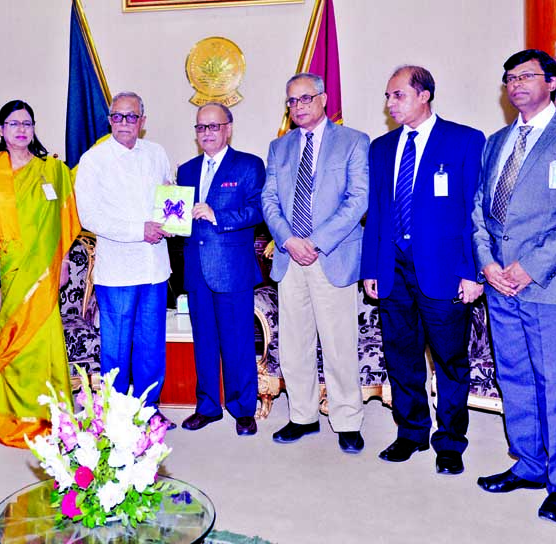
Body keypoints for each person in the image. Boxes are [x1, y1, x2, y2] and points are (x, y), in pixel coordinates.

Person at [471, 49, 556, 523]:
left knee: (554, 385)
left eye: (526, 76)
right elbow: (479, 213)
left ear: (552, 82)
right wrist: (488, 263)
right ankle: (528, 464)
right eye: (509, 77)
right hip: (499, 285)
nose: (515, 84)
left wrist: (528, 268)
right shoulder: (496, 141)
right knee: (514, 378)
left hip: (547, 284)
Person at [360, 66, 485, 474]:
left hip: (445, 270)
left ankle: (450, 441)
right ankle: (411, 431)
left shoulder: (465, 140)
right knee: (401, 354)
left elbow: (473, 213)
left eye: (398, 95)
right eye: (388, 96)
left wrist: (472, 272)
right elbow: (376, 213)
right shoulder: (381, 148)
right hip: (391, 267)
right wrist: (371, 268)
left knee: (450, 359)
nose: (390, 103)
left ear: (424, 95)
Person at [261, 73, 368, 452]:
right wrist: (289, 240)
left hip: (332, 255)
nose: (298, 106)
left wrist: (315, 242)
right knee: (294, 342)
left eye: (306, 98)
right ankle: (302, 416)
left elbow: (357, 199)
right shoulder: (279, 147)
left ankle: (347, 420)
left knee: (339, 344)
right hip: (290, 258)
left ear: (323, 99)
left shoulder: (353, 141)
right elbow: (269, 199)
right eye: (292, 101)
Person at [76, 92, 176, 428]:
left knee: (150, 344)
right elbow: (89, 217)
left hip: (155, 268)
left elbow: (169, 195)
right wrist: (139, 230)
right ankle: (115, 415)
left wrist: (172, 222)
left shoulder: (157, 153)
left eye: (131, 117)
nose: (123, 123)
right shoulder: (94, 160)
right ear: (109, 120)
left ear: (142, 121)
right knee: (116, 348)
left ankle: (149, 409)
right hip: (118, 271)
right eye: (117, 117)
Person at [0, 100, 80, 447]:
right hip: (6, 273)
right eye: (13, 124)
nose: (21, 129)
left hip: (44, 273)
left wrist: (65, 260)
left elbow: (65, 220)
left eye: (27, 123)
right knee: (12, 345)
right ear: (1, 130)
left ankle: (49, 417)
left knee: (44, 345)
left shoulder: (52, 170)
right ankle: (13, 419)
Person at [177, 102, 264, 436]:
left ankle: (244, 409)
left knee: (238, 341)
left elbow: (257, 211)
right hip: (197, 270)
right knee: (204, 342)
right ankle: (208, 406)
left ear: (229, 128)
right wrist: (171, 224)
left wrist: (218, 216)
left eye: (213, 126)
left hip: (232, 269)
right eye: (200, 127)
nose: (206, 133)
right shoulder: (185, 169)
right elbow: (181, 216)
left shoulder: (248, 165)